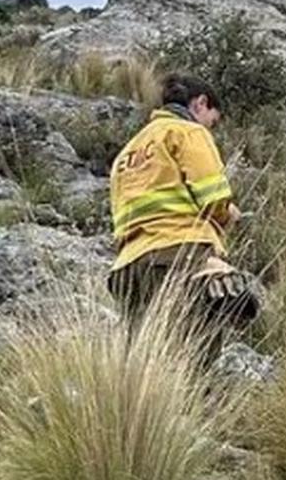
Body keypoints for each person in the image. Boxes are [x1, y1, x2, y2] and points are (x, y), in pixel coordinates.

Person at [108, 74, 257, 349]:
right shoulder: (187, 132)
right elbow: (213, 198)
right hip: (180, 257)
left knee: (146, 359)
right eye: (213, 121)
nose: (210, 128)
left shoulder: (127, 152)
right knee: (195, 357)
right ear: (200, 103)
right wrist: (228, 214)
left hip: (128, 268)